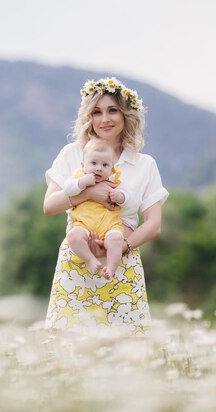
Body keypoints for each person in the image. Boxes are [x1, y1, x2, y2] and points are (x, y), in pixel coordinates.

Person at [43, 77, 168, 337]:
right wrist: (89, 192)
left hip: (121, 261)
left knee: (126, 350)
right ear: (88, 117)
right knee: (69, 347)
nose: (104, 119)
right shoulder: (72, 154)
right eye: (96, 112)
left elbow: (154, 224)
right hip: (78, 260)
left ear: (126, 115)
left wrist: (123, 246)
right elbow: (49, 205)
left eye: (112, 110)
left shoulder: (144, 164)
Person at [63, 139, 128, 279]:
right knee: (73, 236)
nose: (99, 168)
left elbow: (130, 198)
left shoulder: (114, 181)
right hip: (84, 224)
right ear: (83, 165)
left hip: (109, 225)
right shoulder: (79, 176)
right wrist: (81, 183)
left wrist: (119, 196)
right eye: (93, 163)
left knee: (117, 239)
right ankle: (90, 260)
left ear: (111, 168)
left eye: (105, 165)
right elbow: (67, 189)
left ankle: (110, 269)